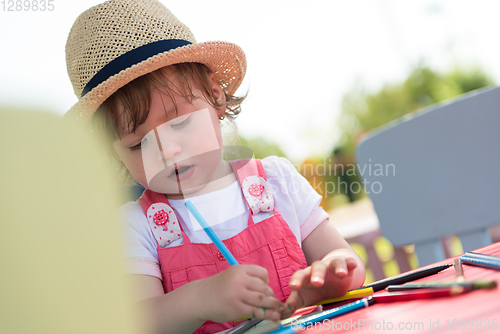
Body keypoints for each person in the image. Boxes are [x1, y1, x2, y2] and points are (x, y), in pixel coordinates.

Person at [64, 1, 366, 333]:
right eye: (138, 144)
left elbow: (347, 264)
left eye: (179, 124)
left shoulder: (277, 181)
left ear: (216, 97)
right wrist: (198, 299)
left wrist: (331, 275)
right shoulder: (138, 226)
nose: (168, 150)